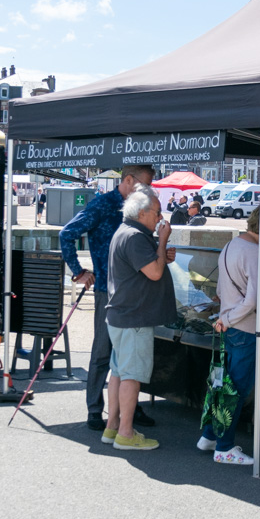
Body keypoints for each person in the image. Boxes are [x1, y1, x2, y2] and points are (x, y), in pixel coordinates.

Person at [60, 165, 158, 432]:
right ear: (128, 180)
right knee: (103, 352)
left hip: (132, 291)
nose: (149, 190)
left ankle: (129, 409)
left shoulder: (138, 209)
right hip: (108, 290)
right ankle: (94, 409)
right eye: (145, 185)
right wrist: (78, 271)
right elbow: (66, 233)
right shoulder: (103, 205)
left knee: (126, 357)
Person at [197, 204, 260, 465]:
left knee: (223, 386)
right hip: (246, 329)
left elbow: (224, 291)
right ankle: (224, 447)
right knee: (237, 390)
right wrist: (228, 318)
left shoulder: (231, 246)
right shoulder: (256, 253)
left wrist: (225, 317)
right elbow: (252, 301)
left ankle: (210, 435)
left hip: (232, 328)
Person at [101, 185, 176, 450]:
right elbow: (154, 273)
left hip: (122, 315)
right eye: (157, 212)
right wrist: (163, 241)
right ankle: (126, 433)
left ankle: (112, 428)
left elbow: (148, 268)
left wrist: (160, 253)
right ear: (142, 212)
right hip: (134, 318)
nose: (160, 218)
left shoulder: (126, 232)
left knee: (119, 373)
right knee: (130, 376)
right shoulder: (135, 236)